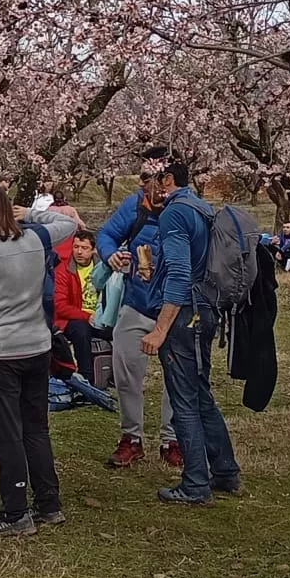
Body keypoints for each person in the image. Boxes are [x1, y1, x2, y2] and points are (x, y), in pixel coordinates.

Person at [0, 187, 79, 533]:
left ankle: (15, 511)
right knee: (36, 426)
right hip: (38, 344)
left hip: (2, 350)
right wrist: (31, 214)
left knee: (8, 429)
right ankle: (49, 501)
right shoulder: (36, 240)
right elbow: (68, 223)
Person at [134, 152, 242, 505]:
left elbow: (181, 277)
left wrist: (160, 329)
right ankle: (224, 471)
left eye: (147, 179)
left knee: (184, 400)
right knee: (199, 393)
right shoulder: (201, 208)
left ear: (166, 180)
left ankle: (196, 484)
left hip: (185, 317)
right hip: (205, 310)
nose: (142, 187)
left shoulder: (175, 213)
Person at [92, 165, 179, 469]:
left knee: (177, 375)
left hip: (176, 306)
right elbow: (107, 235)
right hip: (137, 301)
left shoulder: (185, 209)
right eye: (143, 180)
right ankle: (132, 438)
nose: (147, 187)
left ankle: (173, 439)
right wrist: (109, 254)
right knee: (126, 370)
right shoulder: (134, 205)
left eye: (153, 180)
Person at [51, 230, 100, 381]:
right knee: (81, 330)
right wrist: (87, 316)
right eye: (76, 247)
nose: (79, 251)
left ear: (93, 250)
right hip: (74, 319)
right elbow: (61, 306)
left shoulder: (102, 267)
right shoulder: (63, 271)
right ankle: (87, 378)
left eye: (84, 248)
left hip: (102, 316)